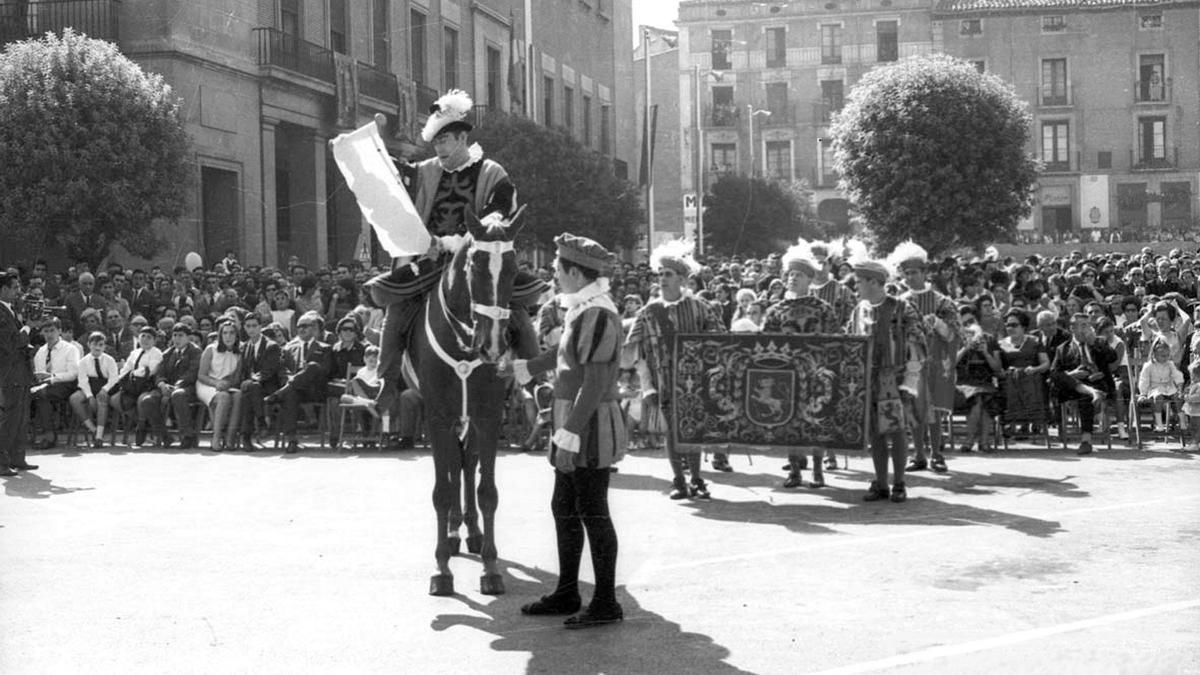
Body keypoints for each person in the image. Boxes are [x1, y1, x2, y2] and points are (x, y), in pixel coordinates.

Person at [365, 88, 525, 411]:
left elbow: (500, 211)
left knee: (519, 302)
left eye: (444, 140)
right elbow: (392, 175)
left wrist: (460, 241)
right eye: (435, 141)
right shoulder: (425, 171)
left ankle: (531, 382)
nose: (438, 146)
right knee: (395, 306)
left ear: (462, 138)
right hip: (429, 259)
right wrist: (371, 144)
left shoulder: (492, 172)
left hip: (479, 261)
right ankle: (386, 381)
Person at [509, 233, 626, 629]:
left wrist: (569, 434)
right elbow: (564, 360)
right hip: (574, 419)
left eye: (558, 268)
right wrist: (523, 367)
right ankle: (568, 590)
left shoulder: (597, 313)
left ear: (575, 272)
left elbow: (593, 383)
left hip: (588, 423)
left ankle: (606, 601)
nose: (554, 274)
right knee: (565, 507)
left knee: (593, 511)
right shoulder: (583, 308)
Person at [624, 239, 725, 499]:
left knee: (693, 430)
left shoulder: (699, 307)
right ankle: (679, 480)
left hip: (696, 382)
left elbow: (721, 341)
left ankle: (697, 478)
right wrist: (646, 385)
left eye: (668, 274)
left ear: (682, 279)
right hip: (664, 382)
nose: (662, 279)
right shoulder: (648, 312)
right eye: (660, 274)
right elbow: (634, 352)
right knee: (672, 431)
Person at [846, 249, 926, 503]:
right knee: (875, 434)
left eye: (859, 281)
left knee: (897, 431)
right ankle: (880, 483)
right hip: (868, 379)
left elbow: (917, 344)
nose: (855, 286)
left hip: (895, 378)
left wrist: (910, 382)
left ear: (873, 282)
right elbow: (850, 342)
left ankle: (899, 483)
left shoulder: (902, 308)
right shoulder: (859, 309)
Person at [760, 240, 841, 488]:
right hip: (786, 374)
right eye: (790, 274)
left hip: (816, 373)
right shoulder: (776, 310)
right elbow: (763, 342)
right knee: (789, 422)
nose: (793, 278)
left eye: (798, 275)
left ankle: (817, 470)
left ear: (809, 279)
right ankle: (794, 470)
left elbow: (834, 340)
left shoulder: (823, 309)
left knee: (816, 421)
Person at [891, 241, 960, 474]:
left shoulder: (943, 301)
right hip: (909, 363)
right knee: (912, 410)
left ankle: (937, 454)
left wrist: (937, 323)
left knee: (934, 411)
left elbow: (954, 334)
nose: (909, 277)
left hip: (935, 362)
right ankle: (918, 454)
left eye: (914, 272)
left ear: (924, 273)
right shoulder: (899, 302)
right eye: (906, 273)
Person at [265, 311, 334, 454]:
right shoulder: (289, 348)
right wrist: (289, 380)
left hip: (315, 390)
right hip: (296, 391)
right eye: (299, 326)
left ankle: (280, 393)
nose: (302, 329)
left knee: (314, 366)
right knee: (291, 394)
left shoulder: (325, 348)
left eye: (306, 326)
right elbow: (283, 370)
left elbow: (326, 371)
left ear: (314, 328)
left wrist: (296, 380)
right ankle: (291, 439)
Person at [1049, 313, 1111, 455]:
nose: (1086, 329)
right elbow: (1053, 372)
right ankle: (1091, 392)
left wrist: (1094, 343)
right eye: (1082, 325)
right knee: (1059, 376)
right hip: (1071, 387)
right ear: (1072, 328)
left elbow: (1111, 357)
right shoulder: (1063, 348)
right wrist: (1073, 374)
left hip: (1096, 382)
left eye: (1088, 325)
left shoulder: (1099, 342)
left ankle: (1086, 441)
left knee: (1085, 397)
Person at [139, 324, 202, 448]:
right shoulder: (168, 353)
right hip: (167, 387)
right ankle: (164, 435)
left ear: (188, 337)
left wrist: (176, 386)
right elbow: (160, 372)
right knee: (147, 401)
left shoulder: (195, 352)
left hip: (188, 387)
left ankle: (187, 435)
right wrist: (162, 384)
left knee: (178, 395)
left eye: (180, 335)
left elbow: (192, 373)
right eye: (175, 335)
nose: (177, 339)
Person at [0, 271, 36, 475]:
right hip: (9, 371)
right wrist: (29, 328)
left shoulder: (9, 310)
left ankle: (17, 457)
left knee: (21, 417)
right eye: (14, 287)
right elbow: (11, 344)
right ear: (3, 289)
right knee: (11, 417)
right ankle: (2, 461)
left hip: (19, 371)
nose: (18, 291)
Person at [30, 317, 82, 449]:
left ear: (59, 331)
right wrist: (40, 378)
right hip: (45, 385)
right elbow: (38, 372)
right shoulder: (40, 352)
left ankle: (50, 436)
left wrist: (52, 377)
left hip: (66, 384)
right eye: (46, 331)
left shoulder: (70, 349)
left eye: (52, 330)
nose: (49, 334)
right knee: (26, 393)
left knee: (41, 394)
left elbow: (73, 374)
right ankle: (19, 436)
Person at [236, 313, 284, 449]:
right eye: (248, 326)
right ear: (244, 328)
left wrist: (251, 380)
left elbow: (268, 371)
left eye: (254, 326)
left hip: (269, 387)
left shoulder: (271, 346)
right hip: (252, 388)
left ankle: (246, 435)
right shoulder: (244, 347)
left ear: (260, 327)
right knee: (250, 391)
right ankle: (260, 421)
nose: (251, 329)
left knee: (251, 388)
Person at [196, 320, 243, 450]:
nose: (228, 336)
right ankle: (216, 438)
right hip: (206, 384)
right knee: (223, 397)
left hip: (225, 385)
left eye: (232, 333)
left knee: (238, 395)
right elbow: (201, 375)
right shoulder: (211, 349)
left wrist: (227, 383)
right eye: (225, 333)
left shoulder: (239, 353)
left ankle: (230, 437)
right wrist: (216, 383)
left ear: (237, 335)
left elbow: (236, 378)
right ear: (220, 335)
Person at [70, 332, 121, 448]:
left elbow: (114, 378)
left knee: (102, 400)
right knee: (74, 399)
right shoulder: (83, 361)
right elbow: (83, 380)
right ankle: (92, 428)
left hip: (106, 386)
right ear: (88, 345)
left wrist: (104, 390)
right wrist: (89, 396)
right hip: (89, 386)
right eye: (94, 344)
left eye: (101, 344)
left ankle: (98, 436)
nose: (97, 347)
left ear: (104, 346)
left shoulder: (110, 360)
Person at [1137, 337, 1183, 432]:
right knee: (1159, 397)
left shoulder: (1170, 364)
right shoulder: (1149, 366)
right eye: (1162, 356)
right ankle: (1159, 423)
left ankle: (1181, 420)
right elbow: (1144, 379)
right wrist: (1143, 393)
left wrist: (1179, 385)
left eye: (1167, 355)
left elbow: (1176, 374)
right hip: (1154, 388)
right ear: (1154, 355)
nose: (1165, 358)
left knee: (1177, 397)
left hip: (1168, 387)